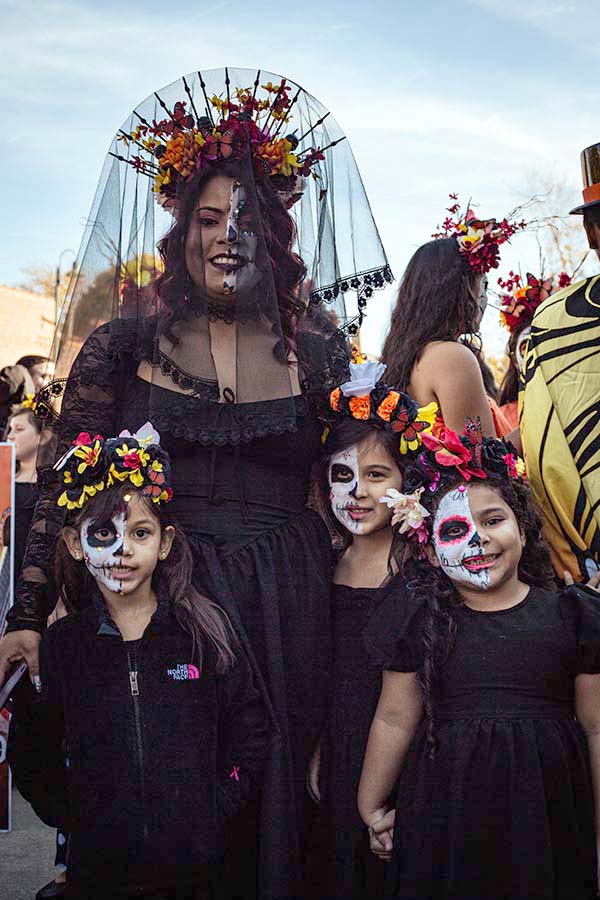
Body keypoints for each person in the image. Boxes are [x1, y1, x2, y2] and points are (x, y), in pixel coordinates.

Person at [0, 68, 392, 900]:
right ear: (181, 232)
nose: (228, 234)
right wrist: (28, 614)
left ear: (276, 236)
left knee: (280, 807)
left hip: (290, 609)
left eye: (247, 218)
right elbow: (69, 489)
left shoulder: (317, 352)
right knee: (166, 807)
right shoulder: (120, 346)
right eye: (208, 217)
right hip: (160, 603)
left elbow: (357, 485)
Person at [9, 424, 269, 900]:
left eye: (139, 532)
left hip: (196, 870)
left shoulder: (201, 635)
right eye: (103, 533)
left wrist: (216, 805)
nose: (122, 549)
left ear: (164, 543)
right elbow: (31, 749)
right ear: (74, 544)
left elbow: (249, 729)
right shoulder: (64, 646)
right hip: (98, 869)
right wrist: (72, 813)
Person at [357, 426, 600, 899]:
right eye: (455, 529)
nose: (478, 539)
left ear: (524, 528)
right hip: (447, 812)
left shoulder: (574, 616)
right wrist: (371, 806)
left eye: (493, 520)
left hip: (546, 812)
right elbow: (393, 717)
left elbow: (596, 728)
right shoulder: (420, 620)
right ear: (428, 548)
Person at [308, 360, 436, 899]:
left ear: (407, 483)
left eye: (376, 475)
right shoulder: (320, 565)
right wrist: (319, 744)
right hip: (336, 753)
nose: (357, 492)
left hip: (405, 760)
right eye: (343, 476)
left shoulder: (421, 573)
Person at [380, 196, 527, 437]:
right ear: (458, 291)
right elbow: (483, 461)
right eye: (482, 285)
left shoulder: (411, 355)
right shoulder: (451, 356)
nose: (485, 299)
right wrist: (541, 424)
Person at [521, 141, 600, 581]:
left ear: (590, 234)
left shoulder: (555, 318)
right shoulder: (553, 319)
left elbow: (542, 452)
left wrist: (571, 555)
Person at [496, 270, 568, 432]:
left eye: (546, 343)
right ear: (514, 359)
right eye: (526, 347)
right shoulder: (502, 417)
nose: (536, 354)